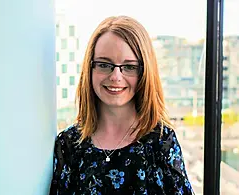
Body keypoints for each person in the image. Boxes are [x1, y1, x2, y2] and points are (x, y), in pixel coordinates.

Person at [49, 15, 194, 195]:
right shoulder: (68, 144)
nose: (116, 76)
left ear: (144, 73)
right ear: (90, 69)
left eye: (129, 67)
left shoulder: (161, 142)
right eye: (104, 64)